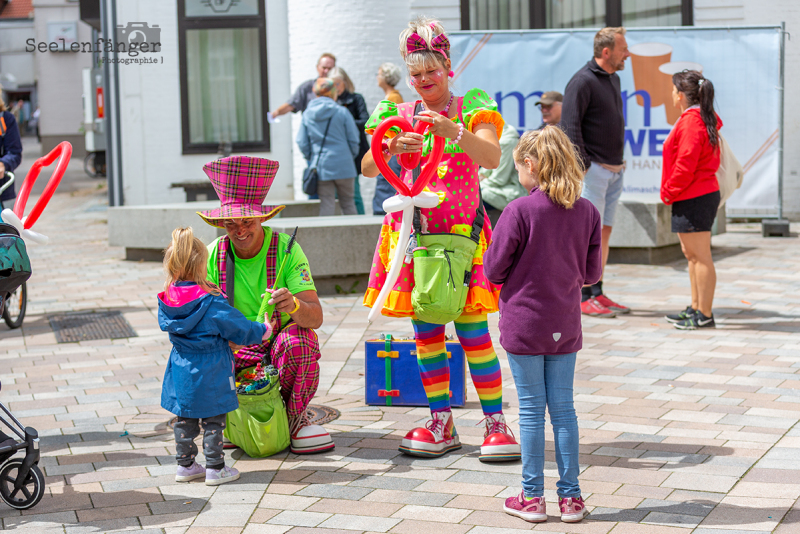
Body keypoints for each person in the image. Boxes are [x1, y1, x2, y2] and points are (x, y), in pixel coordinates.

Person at [361, 17, 520, 461]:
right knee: (427, 332)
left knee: (474, 334)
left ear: (447, 67)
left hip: (464, 239)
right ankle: (440, 421)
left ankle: (495, 424)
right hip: (416, 241)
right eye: (416, 73)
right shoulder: (397, 113)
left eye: (432, 69)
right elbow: (367, 167)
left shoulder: (473, 103)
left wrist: (456, 132)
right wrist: (392, 147)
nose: (424, 79)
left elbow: (490, 156)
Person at [484, 127, 601, 525]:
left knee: (532, 411)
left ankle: (531, 498)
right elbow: (591, 273)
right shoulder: (587, 211)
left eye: (517, 166)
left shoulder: (518, 211)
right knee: (564, 411)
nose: (517, 173)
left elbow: (494, 269)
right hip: (564, 321)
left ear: (530, 165)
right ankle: (572, 499)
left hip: (524, 323)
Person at [199, 155, 335, 455]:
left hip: (277, 346)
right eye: (230, 223)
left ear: (262, 218)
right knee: (205, 352)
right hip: (235, 348)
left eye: (247, 221)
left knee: (300, 343)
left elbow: (315, 318)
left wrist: (294, 306)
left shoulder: (288, 249)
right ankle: (233, 420)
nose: (240, 230)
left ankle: (293, 420)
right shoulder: (212, 255)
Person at [158, 227, 271, 485]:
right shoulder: (210, 301)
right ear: (201, 265)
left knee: (184, 418)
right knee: (213, 419)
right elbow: (239, 328)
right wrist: (263, 330)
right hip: (212, 367)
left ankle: (185, 466)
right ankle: (215, 467)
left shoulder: (169, 298)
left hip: (180, 366)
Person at [562, 27, 630, 318]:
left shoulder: (612, 78)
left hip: (614, 171)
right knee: (585, 236)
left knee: (604, 233)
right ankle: (581, 296)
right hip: (594, 173)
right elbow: (570, 127)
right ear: (606, 52)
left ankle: (597, 292)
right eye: (623, 49)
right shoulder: (582, 81)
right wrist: (585, 166)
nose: (627, 54)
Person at [662, 70, 722, 330]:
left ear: (682, 95)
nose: (671, 94)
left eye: (673, 90)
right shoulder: (695, 118)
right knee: (692, 255)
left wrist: (668, 191)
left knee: (700, 256)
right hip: (694, 194)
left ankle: (704, 314)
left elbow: (686, 164)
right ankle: (696, 307)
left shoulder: (691, 121)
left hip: (695, 195)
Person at [297, 78, 359, 216]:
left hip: (322, 165)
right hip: (345, 164)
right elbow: (354, 140)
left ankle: (327, 237)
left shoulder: (307, 114)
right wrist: (350, 155)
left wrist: (311, 157)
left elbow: (301, 141)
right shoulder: (342, 112)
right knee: (348, 203)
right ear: (333, 93)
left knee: (327, 203)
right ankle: (355, 236)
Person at [330, 67, 369, 214]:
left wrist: (346, 123)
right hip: (337, 152)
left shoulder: (356, 98)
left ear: (345, 82)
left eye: (338, 83)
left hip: (354, 150)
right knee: (334, 196)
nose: (335, 88)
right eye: (332, 84)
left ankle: (360, 224)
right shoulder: (330, 102)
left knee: (354, 193)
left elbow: (366, 122)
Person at [373, 63, 404, 215]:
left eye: (379, 74)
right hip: (389, 146)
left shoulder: (393, 98)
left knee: (386, 182)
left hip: (390, 147)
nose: (377, 78)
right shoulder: (393, 96)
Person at [480, 122, 525, 226]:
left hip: (510, 192)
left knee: (471, 197)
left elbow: (499, 179)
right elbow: (484, 172)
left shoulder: (507, 140)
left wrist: (473, 187)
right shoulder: (491, 136)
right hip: (494, 188)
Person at [269, 53, 336, 118]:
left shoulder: (338, 87)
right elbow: (291, 104)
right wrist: (275, 113)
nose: (326, 71)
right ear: (317, 67)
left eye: (330, 68)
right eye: (324, 68)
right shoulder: (307, 87)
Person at [0, 92, 23, 210]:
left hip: (3, 193)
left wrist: (3, 164)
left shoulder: (6, 119)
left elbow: (15, 153)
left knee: (6, 227)